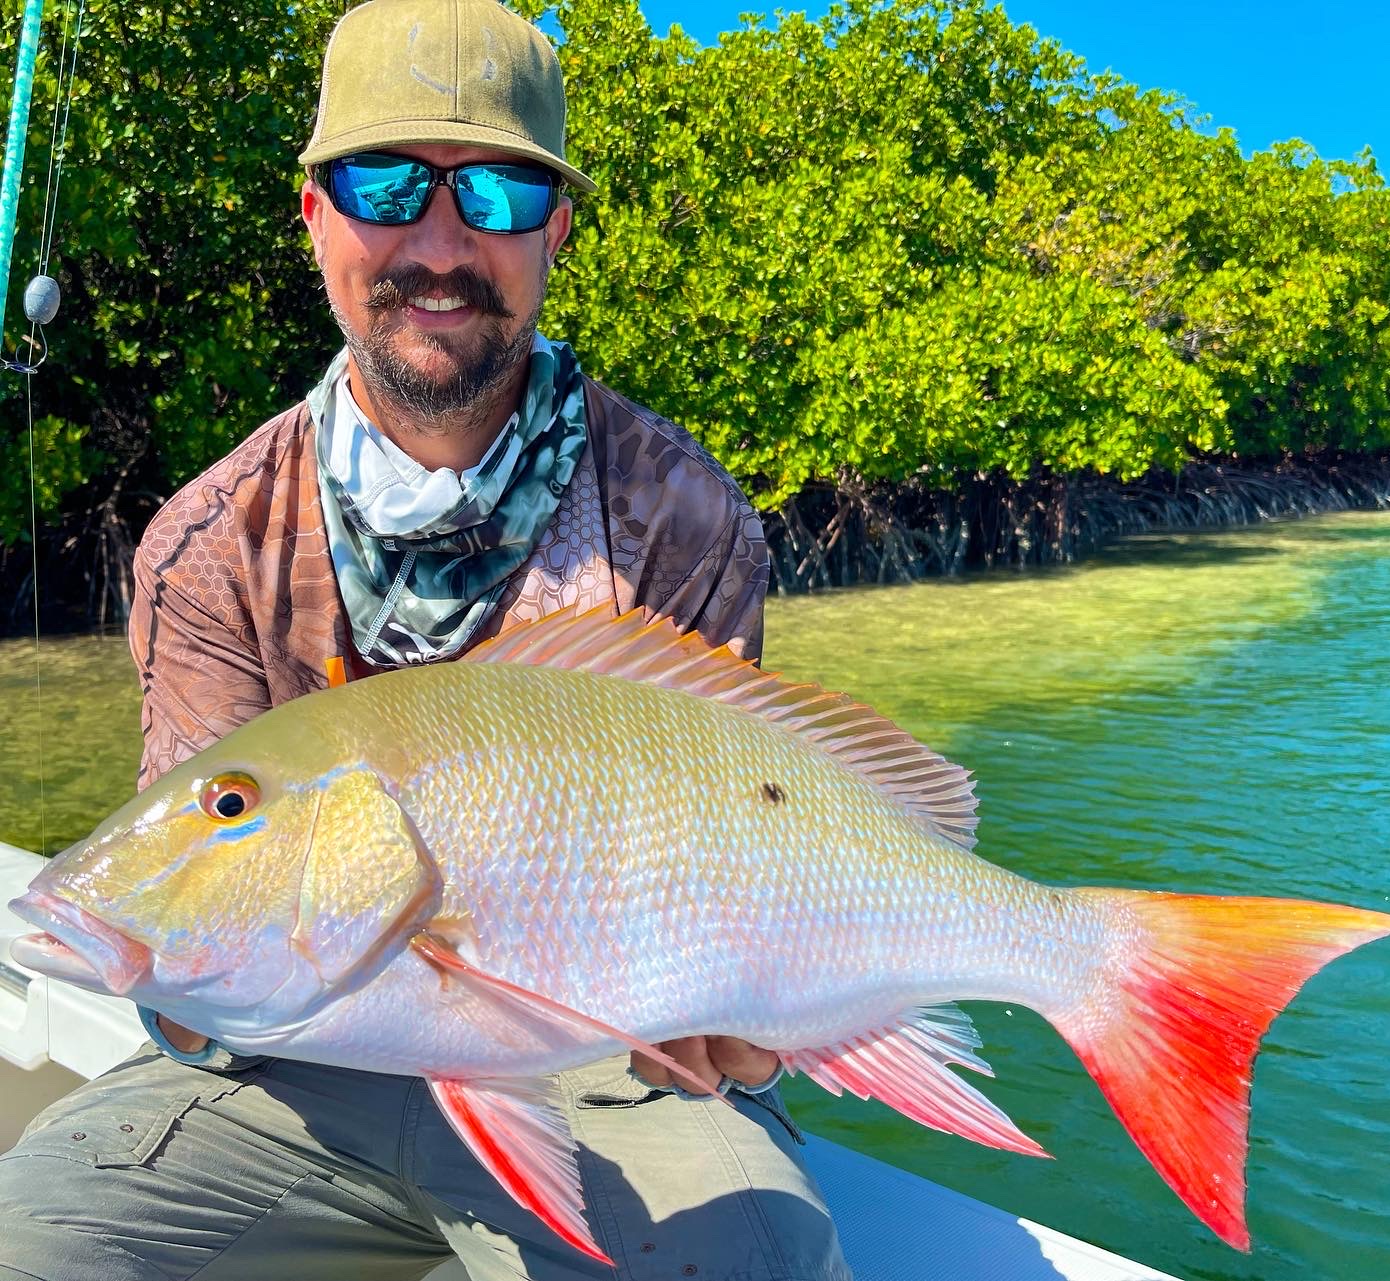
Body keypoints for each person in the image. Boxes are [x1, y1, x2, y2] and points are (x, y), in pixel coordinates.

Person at [0, 3, 850, 1278]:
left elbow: (748, 825)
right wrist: (165, 971)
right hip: (282, 1076)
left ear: (557, 228)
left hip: (615, 1068)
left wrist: (756, 1019)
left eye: (500, 193)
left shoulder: (681, 512)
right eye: (384, 184)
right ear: (314, 217)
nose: (440, 243)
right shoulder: (206, 542)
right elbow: (194, 923)